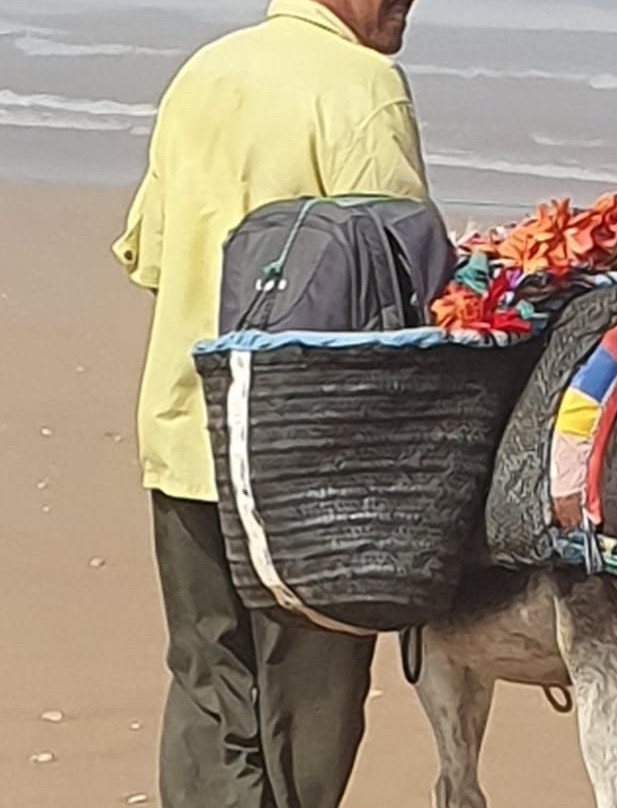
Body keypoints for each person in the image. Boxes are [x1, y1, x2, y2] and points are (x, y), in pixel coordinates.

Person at [111, 1, 426, 806]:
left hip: (186, 434)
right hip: (308, 467)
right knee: (309, 707)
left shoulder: (201, 75)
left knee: (206, 682)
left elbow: (149, 255)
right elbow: (405, 297)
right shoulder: (366, 88)